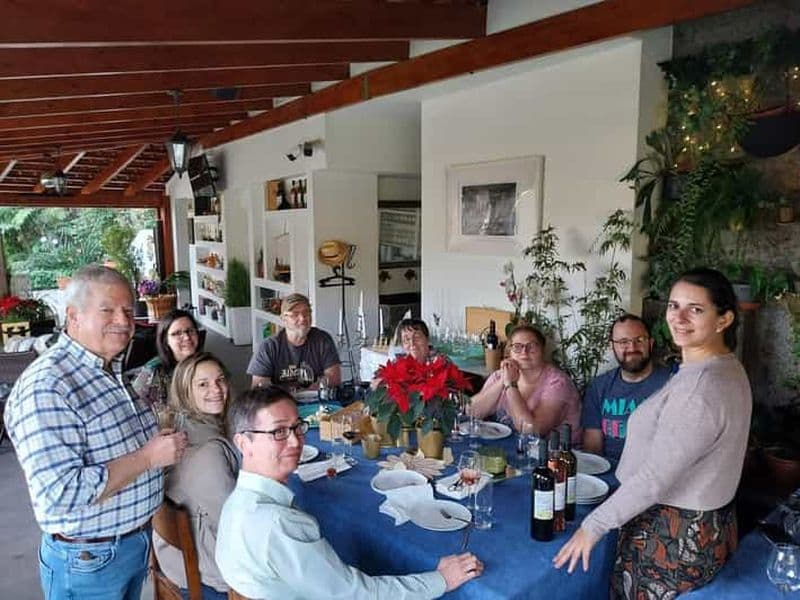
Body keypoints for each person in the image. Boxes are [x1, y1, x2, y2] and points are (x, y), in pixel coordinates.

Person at [554, 268, 752, 598]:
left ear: (724, 319)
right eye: (674, 305)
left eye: (696, 309)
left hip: (670, 532)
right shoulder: (719, 367)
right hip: (700, 524)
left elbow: (655, 478)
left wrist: (593, 527)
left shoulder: (700, 388)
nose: (679, 317)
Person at [3, 264, 187, 600]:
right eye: (108, 310)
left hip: (127, 545)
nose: (123, 320)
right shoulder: (48, 386)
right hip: (88, 561)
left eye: (128, 311)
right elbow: (63, 494)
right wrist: (148, 458)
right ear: (73, 316)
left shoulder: (109, 369)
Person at [216, 386, 484, 599]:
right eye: (278, 432)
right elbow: (354, 594)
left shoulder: (237, 502)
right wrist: (440, 580)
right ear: (243, 442)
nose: (296, 441)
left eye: (297, 427)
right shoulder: (278, 524)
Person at [154, 352, 239, 600]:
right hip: (208, 572)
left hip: (171, 556)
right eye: (203, 384)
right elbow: (234, 525)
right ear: (185, 390)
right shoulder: (210, 452)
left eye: (220, 380)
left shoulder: (176, 428)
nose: (217, 389)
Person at [469, 324, 581, 444]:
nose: (524, 352)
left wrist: (511, 385)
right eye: (517, 347)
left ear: (542, 350)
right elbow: (472, 412)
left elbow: (532, 431)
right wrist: (503, 381)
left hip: (553, 456)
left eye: (531, 346)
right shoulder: (502, 375)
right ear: (509, 352)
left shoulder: (558, 383)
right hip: (509, 447)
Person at [581, 314, 671, 461]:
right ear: (612, 346)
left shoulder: (671, 384)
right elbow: (592, 448)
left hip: (654, 476)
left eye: (639, 340)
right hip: (609, 472)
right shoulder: (599, 387)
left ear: (651, 343)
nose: (632, 347)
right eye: (623, 342)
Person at [248, 293, 341, 390]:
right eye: (295, 314)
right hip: (281, 401)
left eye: (306, 312)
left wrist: (310, 390)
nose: (302, 318)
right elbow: (258, 385)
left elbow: (334, 378)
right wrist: (287, 394)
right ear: (284, 319)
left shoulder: (323, 340)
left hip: (317, 399)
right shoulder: (269, 346)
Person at [132, 308, 204, 408]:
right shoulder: (153, 371)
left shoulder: (205, 364)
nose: (187, 337)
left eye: (190, 330)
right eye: (177, 333)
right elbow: (133, 408)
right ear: (166, 340)